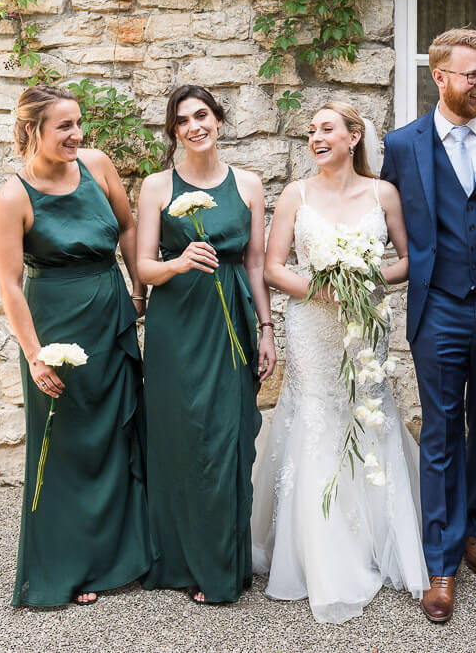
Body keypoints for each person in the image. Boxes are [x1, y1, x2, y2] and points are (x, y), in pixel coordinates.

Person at [253, 101, 427, 624]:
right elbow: (271, 266)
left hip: (363, 323)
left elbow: (408, 260)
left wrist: (366, 275)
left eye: (327, 129)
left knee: (365, 411)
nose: (316, 138)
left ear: (354, 137)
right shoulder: (296, 194)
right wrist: (321, 286)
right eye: (311, 131)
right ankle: (318, 550)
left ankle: (378, 538)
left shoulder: (384, 193)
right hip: (311, 325)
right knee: (318, 417)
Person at [380, 28, 476, 623]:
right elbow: (385, 219)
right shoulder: (403, 143)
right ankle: (440, 563)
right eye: (471, 74)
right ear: (438, 76)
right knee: (442, 430)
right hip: (437, 303)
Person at [0, 85, 152, 608]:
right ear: (33, 129)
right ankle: (69, 566)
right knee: (66, 442)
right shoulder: (13, 197)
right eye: (64, 126)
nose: (76, 135)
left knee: (117, 432)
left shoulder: (98, 165)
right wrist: (35, 355)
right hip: (54, 327)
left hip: (110, 316)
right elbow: (10, 285)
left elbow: (127, 227)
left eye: (79, 123)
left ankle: (124, 555)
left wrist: (138, 290)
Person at [136, 85, 276, 604]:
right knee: (180, 440)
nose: (194, 126)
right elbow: (144, 267)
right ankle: (182, 560)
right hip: (177, 327)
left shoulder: (249, 184)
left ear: (218, 120)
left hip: (232, 322)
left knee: (225, 439)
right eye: (182, 121)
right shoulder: (156, 186)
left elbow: (257, 263)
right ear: (174, 132)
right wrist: (177, 262)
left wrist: (266, 329)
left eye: (202, 115)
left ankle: (224, 561)